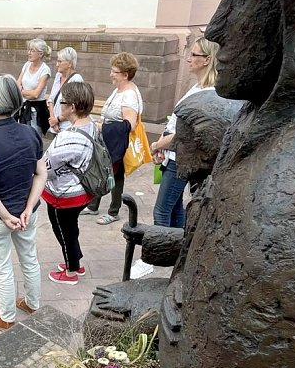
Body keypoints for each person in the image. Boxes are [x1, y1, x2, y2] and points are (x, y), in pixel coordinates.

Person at [0, 75, 46, 331]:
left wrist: (5, 216)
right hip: (26, 214)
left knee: (2, 267)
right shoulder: (31, 133)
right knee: (29, 258)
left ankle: (7, 317)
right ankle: (32, 303)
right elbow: (41, 174)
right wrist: (28, 208)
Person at [150, 39, 219, 228]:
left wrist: (157, 145)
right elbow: (175, 122)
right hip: (174, 154)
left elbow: (185, 133)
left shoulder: (208, 93)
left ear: (207, 60)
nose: (188, 59)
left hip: (180, 158)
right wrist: (161, 145)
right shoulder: (197, 87)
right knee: (175, 208)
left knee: (161, 211)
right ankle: (178, 243)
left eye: (194, 55)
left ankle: (162, 245)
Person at [43, 82, 98, 285]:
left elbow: (47, 167)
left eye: (62, 102)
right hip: (84, 189)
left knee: (64, 230)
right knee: (70, 229)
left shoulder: (68, 137)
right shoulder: (92, 125)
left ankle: (71, 271)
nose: (60, 106)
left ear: (72, 107)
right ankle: (75, 261)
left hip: (65, 194)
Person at [82, 52, 143, 225]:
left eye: (114, 72)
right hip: (110, 141)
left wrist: (103, 127)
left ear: (125, 74)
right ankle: (93, 206)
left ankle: (113, 211)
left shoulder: (129, 95)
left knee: (115, 176)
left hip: (118, 144)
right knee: (104, 171)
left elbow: (130, 124)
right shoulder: (120, 89)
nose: (111, 74)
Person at [15, 38, 51, 138]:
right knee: (23, 138)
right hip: (24, 108)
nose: (29, 53)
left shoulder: (45, 70)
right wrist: (26, 92)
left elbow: (36, 94)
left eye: (32, 50)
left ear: (40, 54)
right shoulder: (26, 65)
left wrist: (21, 91)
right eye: (29, 50)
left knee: (35, 138)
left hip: (37, 111)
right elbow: (17, 84)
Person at [47, 46, 83, 134]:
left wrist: (57, 120)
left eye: (60, 61)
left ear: (69, 63)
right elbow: (51, 99)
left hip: (68, 127)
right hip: (54, 125)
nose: (57, 64)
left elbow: (75, 107)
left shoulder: (76, 80)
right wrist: (52, 119)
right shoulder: (58, 76)